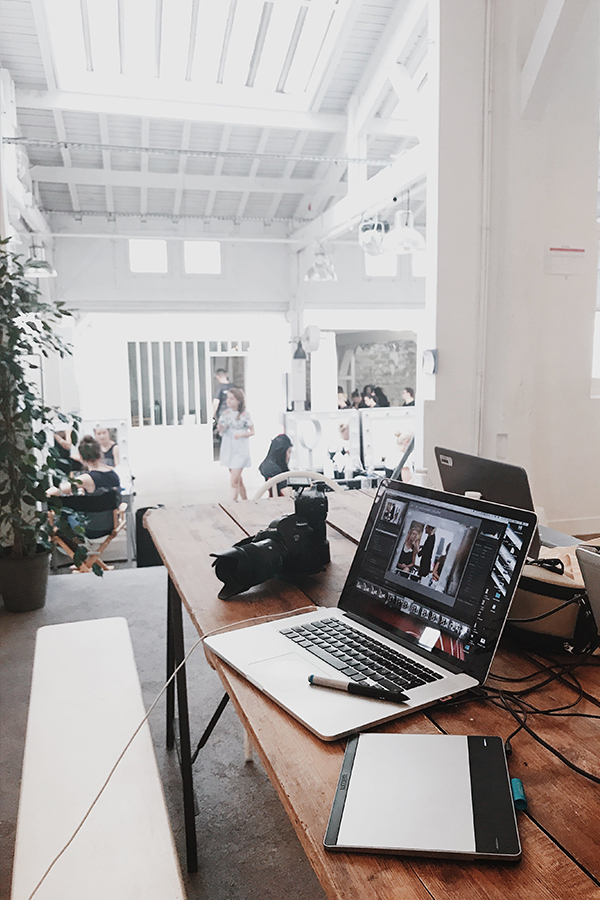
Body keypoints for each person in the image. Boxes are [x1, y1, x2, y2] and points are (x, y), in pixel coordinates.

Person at [47, 435, 121, 496]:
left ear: (81, 457)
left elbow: (56, 491)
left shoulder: (86, 479)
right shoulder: (113, 474)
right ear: (100, 453)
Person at [217, 387, 255, 501]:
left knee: (233, 482)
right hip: (229, 448)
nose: (228, 401)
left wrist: (241, 434)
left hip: (240, 450)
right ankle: (245, 501)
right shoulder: (225, 413)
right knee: (238, 480)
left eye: (231, 398)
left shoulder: (245, 414)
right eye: (228, 398)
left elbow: (252, 431)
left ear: (238, 400)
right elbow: (221, 429)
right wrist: (220, 427)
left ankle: (231, 503)